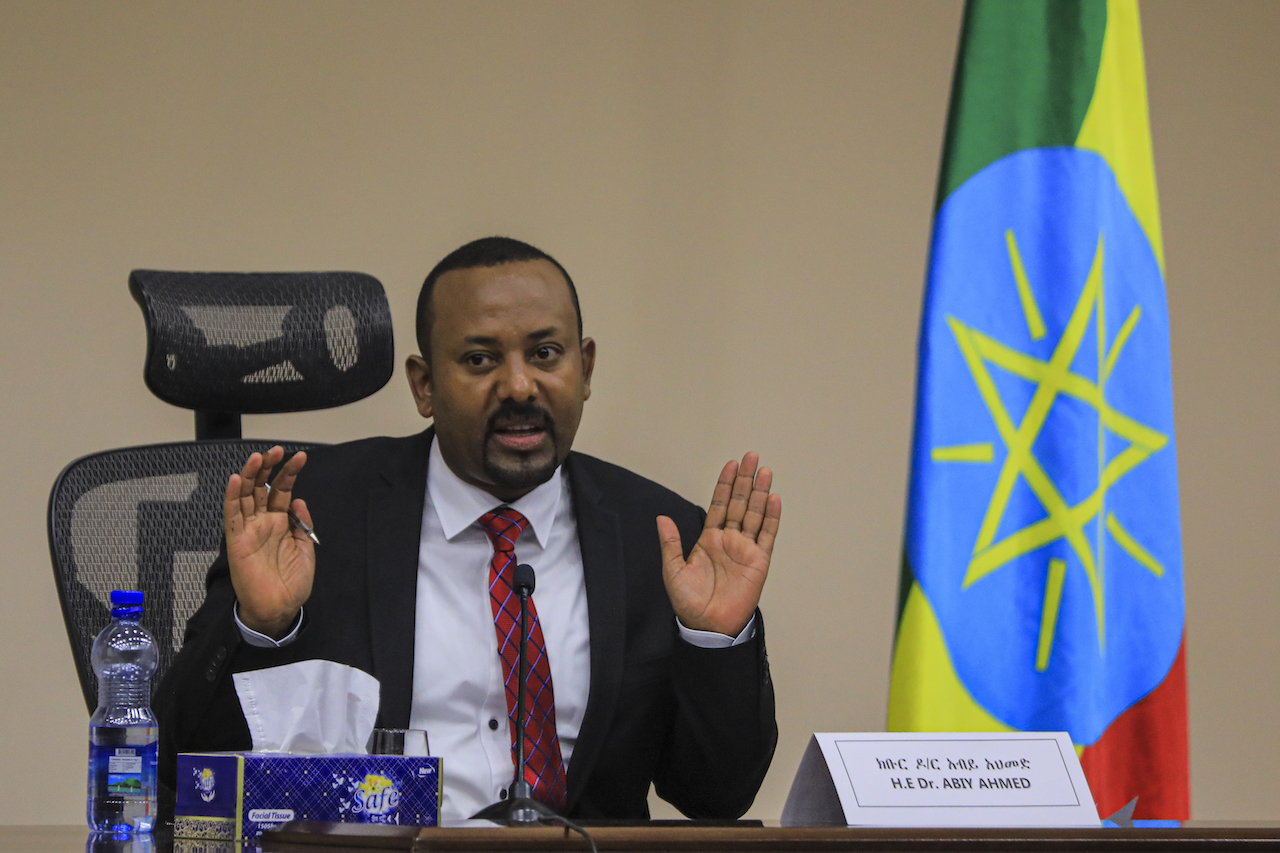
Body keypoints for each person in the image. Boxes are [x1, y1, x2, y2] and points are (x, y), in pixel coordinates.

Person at [155, 237, 781, 820]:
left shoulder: (659, 537)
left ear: (585, 371)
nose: (518, 385)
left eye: (545, 354)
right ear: (425, 386)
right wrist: (262, 630)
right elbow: (182, 765)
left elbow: (715, 797)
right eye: (480, 359)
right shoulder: (316, 516)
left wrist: (712, 643)